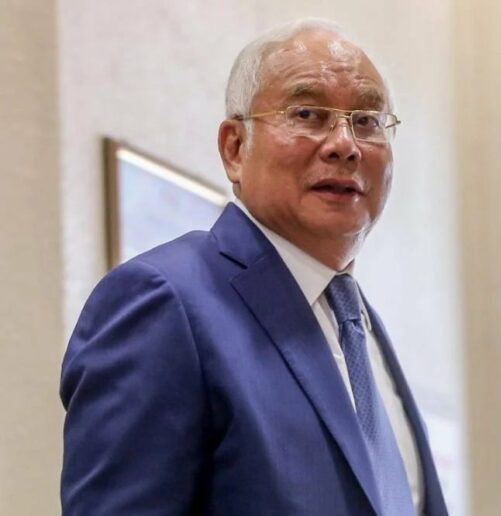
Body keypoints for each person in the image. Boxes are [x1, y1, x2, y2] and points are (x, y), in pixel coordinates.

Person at [60, 18, 448, 516]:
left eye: (368, 121)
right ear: (235, 148)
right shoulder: (164, 302)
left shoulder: (360, 326)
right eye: (308, 114)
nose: (344, 145)